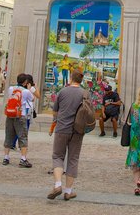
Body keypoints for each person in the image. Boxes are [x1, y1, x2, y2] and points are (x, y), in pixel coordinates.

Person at [47, 70, 88, 200]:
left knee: (58, 156)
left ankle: (58, 184)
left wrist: (57, 121)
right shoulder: (85, 93)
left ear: (71, 78)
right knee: (73, 158)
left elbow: (55, 112)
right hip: (77, 130)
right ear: (81, 80)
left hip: (62, 128)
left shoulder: (63, 92)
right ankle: (68, 191)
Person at [2, 73, 33, 168]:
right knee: (22, 136)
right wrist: (29, 89)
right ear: (25, 82)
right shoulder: (26, 91)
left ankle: (6, 157)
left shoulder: (11, 89)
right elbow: (32, 99)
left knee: (8, 135)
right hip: (21, 115)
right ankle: (23, 159)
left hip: (10, 114)